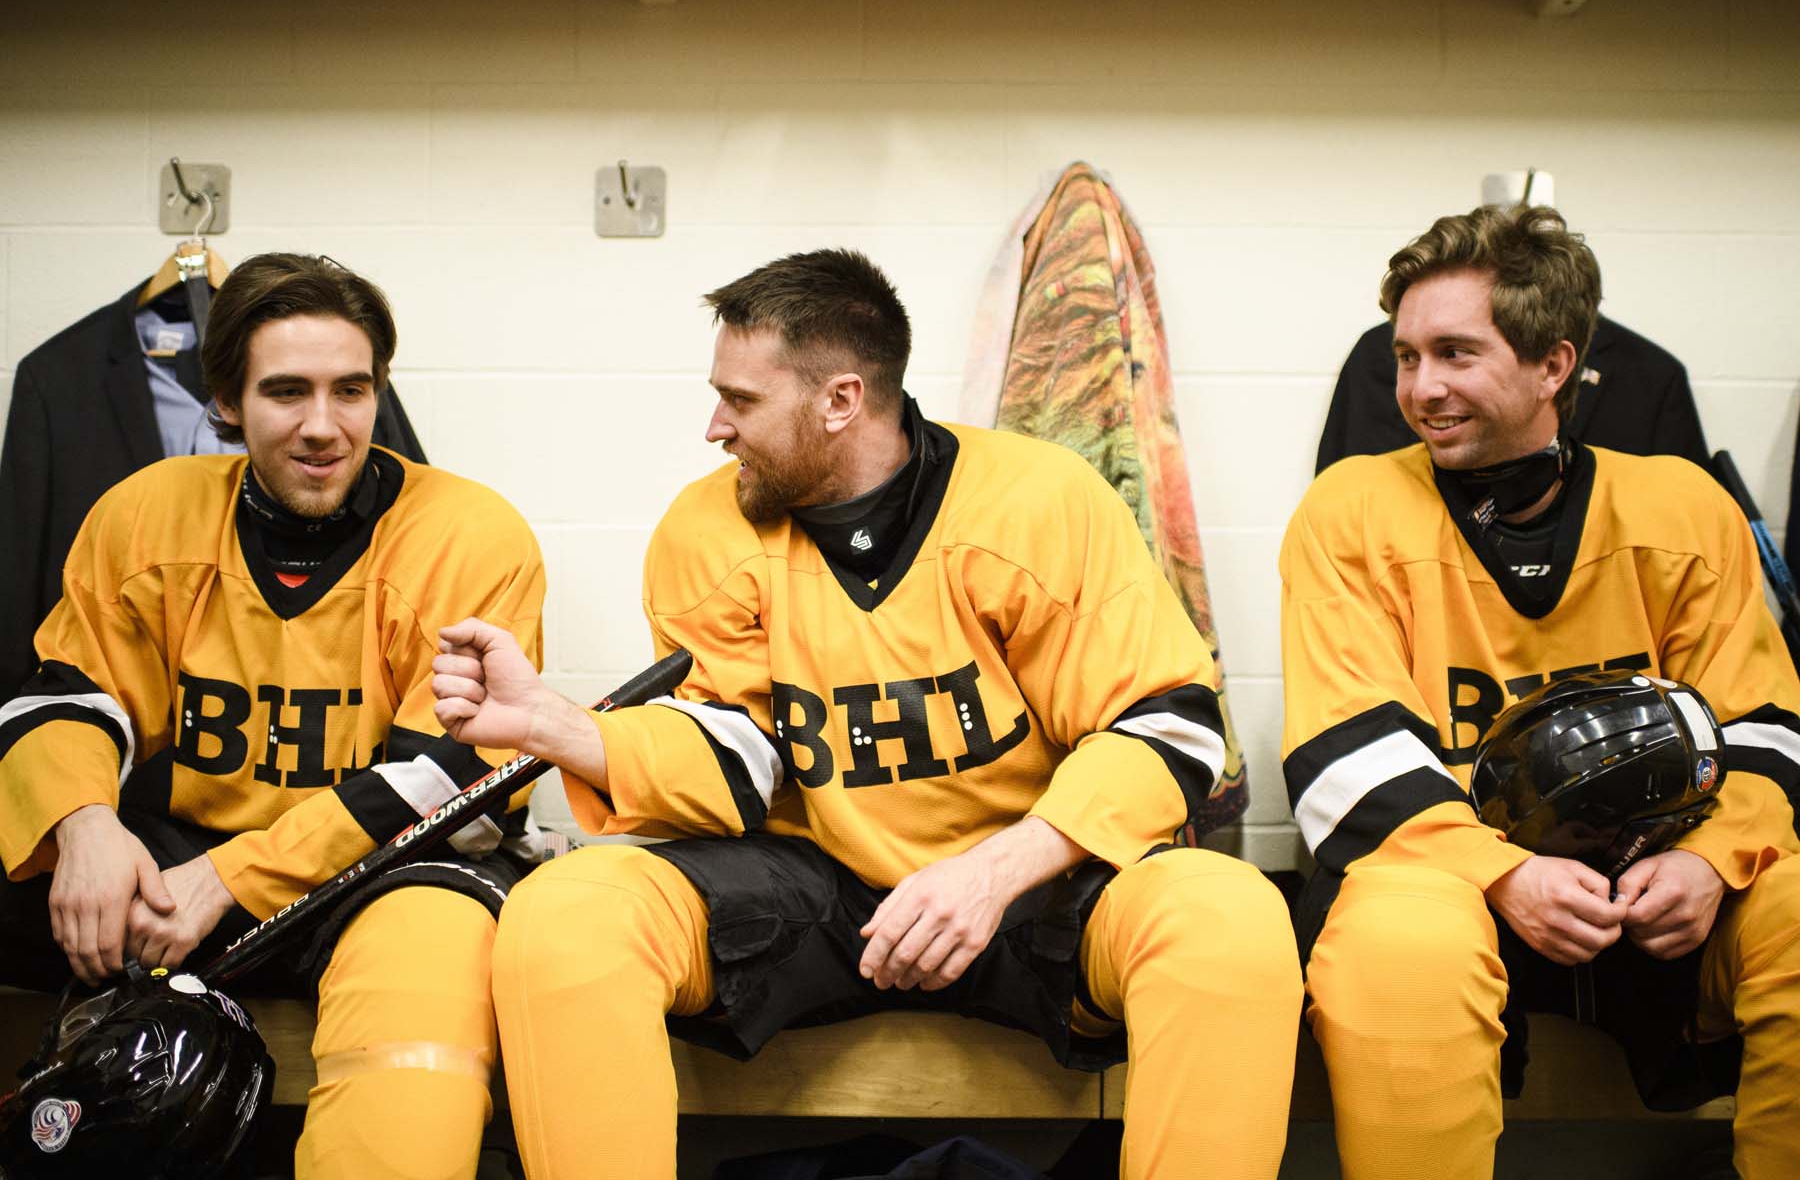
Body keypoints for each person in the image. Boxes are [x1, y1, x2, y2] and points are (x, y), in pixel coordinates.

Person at [431, 248, 1303, 1179]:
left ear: (841, 400)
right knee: (566, 912)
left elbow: (1169, 726)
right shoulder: (706, 528)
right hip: (818, 884)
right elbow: (742, 754)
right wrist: (557, 728)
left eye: (742, 400)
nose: (715, 426)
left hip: (1027, 878)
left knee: (1231, 914)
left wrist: (992, 872)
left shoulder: (1040, 500)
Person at [1280, 204, 1800, 1179]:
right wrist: (1504, 872)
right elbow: (1340, 750)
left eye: (1454, 354)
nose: (1419, 389)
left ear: (1553, 365)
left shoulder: (1684, 507)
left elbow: (1764, 726)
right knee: (1399, 938)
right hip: (1441, 884)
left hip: (1662, 887)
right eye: (1404, 357)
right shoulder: (1349, 510)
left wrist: (1712, 862)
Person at [0, 253, 547, 1179]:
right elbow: (68, 690)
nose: (324, 426)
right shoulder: (146, 512)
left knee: (429, 966)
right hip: (176, 864)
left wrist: (237, 877)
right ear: (224, 401)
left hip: (379, 879)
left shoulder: (470, 532)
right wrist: (84, 823)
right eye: (287, 392)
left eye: (352, 391)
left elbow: (449, 781)